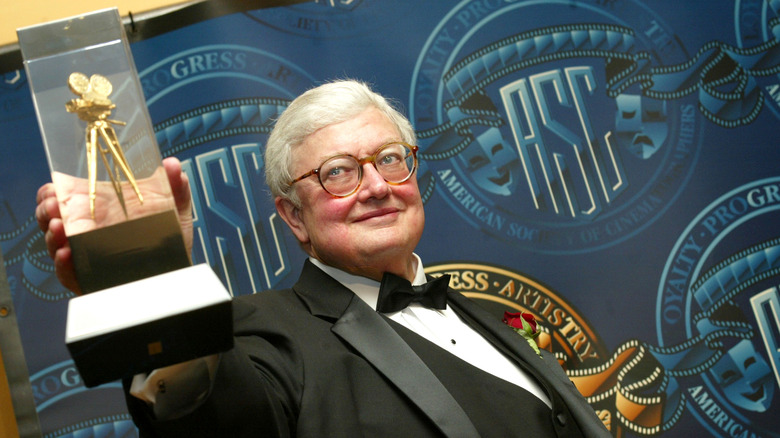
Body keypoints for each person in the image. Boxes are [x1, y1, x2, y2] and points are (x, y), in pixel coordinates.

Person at [36, 80, 611, 437]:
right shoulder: (262, 332)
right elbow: (211, 419)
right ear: (292, 217)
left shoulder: (484, 319)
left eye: (389, 159)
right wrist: (151, 275)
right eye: (337, 173)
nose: (376, 186)